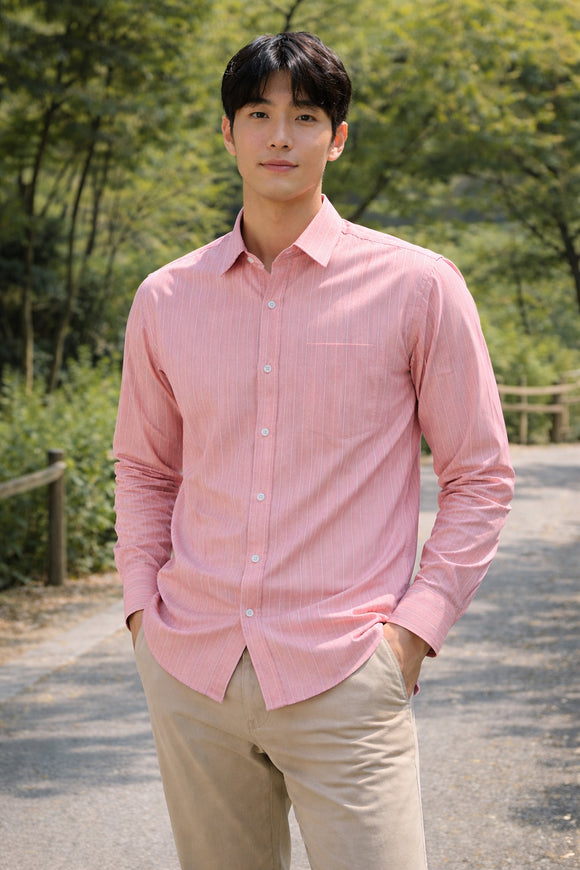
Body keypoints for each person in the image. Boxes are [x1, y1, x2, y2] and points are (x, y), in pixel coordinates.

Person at [113, 31, 514, 870]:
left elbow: (479, 476)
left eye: (304, 117)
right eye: (258, 114)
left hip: (346, 672)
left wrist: (413, 633)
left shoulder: (418, 286)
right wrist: (143, 615)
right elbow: (147, 469)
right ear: (228, 133)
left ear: (338, 138)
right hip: (191, 668)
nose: (280, 136)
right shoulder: (166, 297)